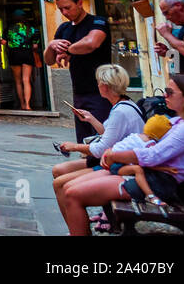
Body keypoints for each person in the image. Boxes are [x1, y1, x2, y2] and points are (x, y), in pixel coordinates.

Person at [57, 74, 184, 235]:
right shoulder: (179, 122)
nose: (164, 95)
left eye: (170, 92)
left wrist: (115, 156)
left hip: (156, 184)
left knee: (72, 194)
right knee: (68, 188)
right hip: (147, 174)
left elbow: (153, 155)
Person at [50, 64, 144, 218]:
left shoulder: (120, 111)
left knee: (60, 184)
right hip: (115, 158)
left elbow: (100, 149)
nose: (98, 85)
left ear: (105, 86)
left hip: (121, 164)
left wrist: (74, 147)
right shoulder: (124, 104)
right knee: (59, 170)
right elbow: (109, 135)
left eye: (99, 82)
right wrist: (90, 119)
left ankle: (76, 224)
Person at [43, 0, 112, 142]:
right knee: (84, 141)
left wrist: (69, 49)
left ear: (80, 3)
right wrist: (51, 45)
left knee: (103, 139)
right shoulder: (64, 28)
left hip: (102, 91)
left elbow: (91, 43)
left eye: (68, 8)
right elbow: (49, 61)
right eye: (61, 9)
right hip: (79, 92)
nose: (65, 13)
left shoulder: (97, 22)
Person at [106, 115, 177, 205]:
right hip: (118, 166)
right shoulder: (149, 144)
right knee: (138, 169)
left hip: (111, 162)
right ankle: (151, 196)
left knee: (138, 167)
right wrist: (165, 169)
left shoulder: (136, 135)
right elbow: (148, 163)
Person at [4, 9, 41, 111]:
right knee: (26, 80)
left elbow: (3, 42)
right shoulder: (32, 30)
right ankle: (28, 105)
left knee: (18, 81)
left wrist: (11, 44)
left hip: (14, 54)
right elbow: (35, 45)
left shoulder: (8, 29)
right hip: (27, 54)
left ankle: (22, 104)